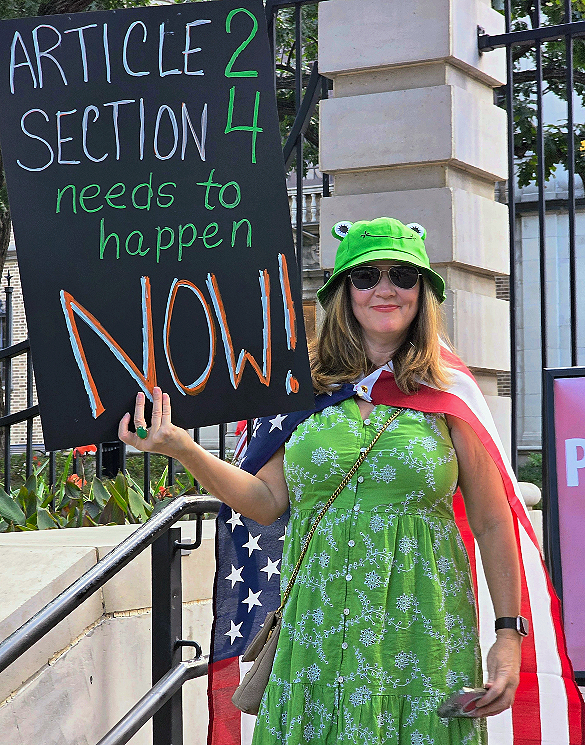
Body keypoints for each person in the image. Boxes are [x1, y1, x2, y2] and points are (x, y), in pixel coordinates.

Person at [120, 217, 524, 743]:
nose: (385, 289)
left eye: (402, 276)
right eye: (366, 277)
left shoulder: (450, 394)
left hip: (421, 626)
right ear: (343, 293)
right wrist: (181, 446)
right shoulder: (300, 388)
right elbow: (264, 503)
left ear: (423, 293)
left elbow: (494, 524)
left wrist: (509, 636)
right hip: (318, 623)